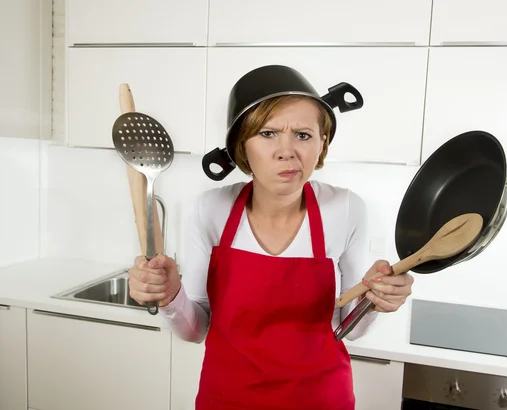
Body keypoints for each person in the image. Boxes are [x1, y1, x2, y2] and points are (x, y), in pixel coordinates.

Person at [127, 65, 414, 410]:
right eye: (267, 133)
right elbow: (197, 329)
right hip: (228, 399)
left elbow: (350, 328)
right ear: (240, 147)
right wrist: (170, 295)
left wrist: (375, 300)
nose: (286, 151)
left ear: (322, 143)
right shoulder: (210, 210)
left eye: (303, 135)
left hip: (320, 399)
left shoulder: (347, 209)